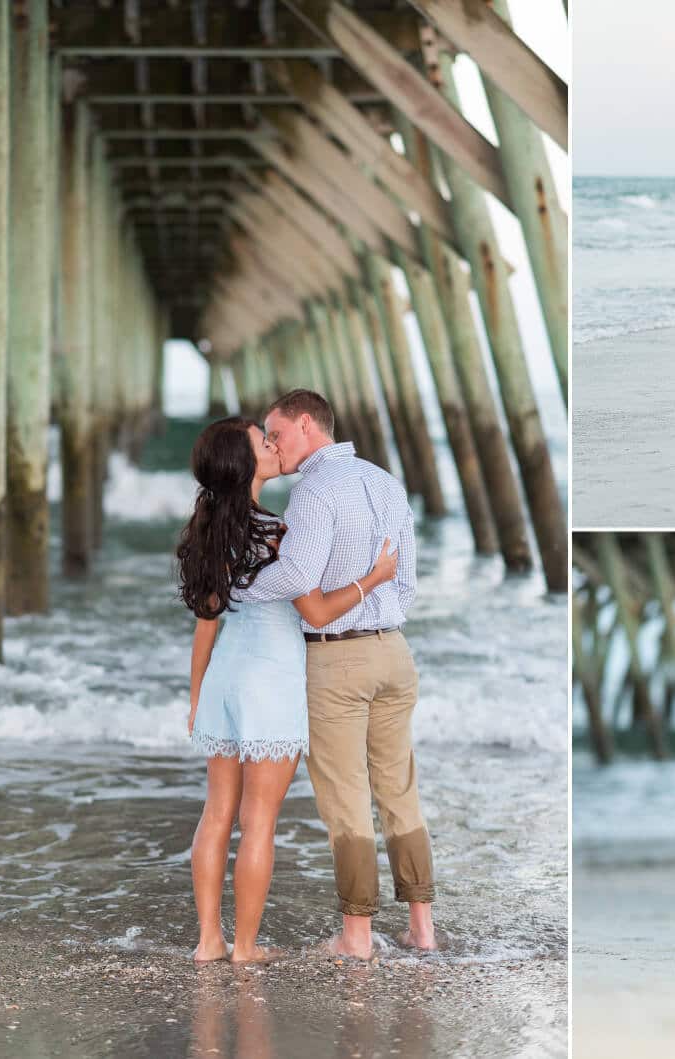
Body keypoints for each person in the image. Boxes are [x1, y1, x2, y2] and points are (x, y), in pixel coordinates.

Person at [179, 416, 400, 964]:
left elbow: (207, 622)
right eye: (263, 442)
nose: (274, 447)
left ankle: (210, 941)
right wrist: (374, 578)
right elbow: (318, 610)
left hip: (225, 679)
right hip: (270, 681)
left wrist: (196, 696)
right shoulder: (274, 534)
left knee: (216, 814)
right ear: (244, 462)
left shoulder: (210, 528)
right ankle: (246, 948)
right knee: (259, 821)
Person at [240, 389, 437, 960]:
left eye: (276, 433)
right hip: (395, 653)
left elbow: (299, 575)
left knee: (345, 800)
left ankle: (356, 937)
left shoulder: (313, 491)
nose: (273, 444)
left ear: (307, 425)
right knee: (400, 791)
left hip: (336, 656)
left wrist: (237, 590)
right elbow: (407, 583)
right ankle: (421, 927)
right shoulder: (385, 482)